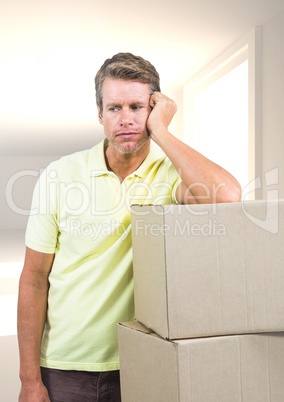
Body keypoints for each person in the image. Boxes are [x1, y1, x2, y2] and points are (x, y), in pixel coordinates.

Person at [17, 52, 241, 402]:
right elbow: (33, 279)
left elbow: (227, 198)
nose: (125, 119)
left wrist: (162, 131)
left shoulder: (171, 174)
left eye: (137, 107)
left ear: (153, 109)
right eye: (114, 108)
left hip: (144, 360)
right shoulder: (60, 175)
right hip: (63, 366)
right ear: (99, 114)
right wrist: (29, 380)